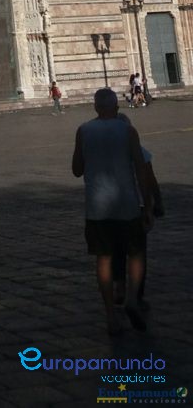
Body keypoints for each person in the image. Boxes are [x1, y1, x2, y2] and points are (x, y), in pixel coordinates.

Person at [72, 87, 151, 334]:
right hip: (127, 203)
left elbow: (76, 169)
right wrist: (148, 204)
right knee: (136, 252)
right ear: (117, 107)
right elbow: (141, 168)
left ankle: (110, 315)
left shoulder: (83, 131)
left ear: (95, 107)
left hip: (97, 206)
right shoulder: (128, 130)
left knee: (103, 258)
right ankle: (132, 298)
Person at [112, 118, 164, 312]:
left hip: (112, 206)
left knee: (116, 250)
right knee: (137, 252)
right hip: (137, 206)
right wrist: (156, 203)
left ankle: (119, 287)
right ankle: (136, 295)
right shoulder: (140, 151)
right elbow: (150, 180)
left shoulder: (106, 153)